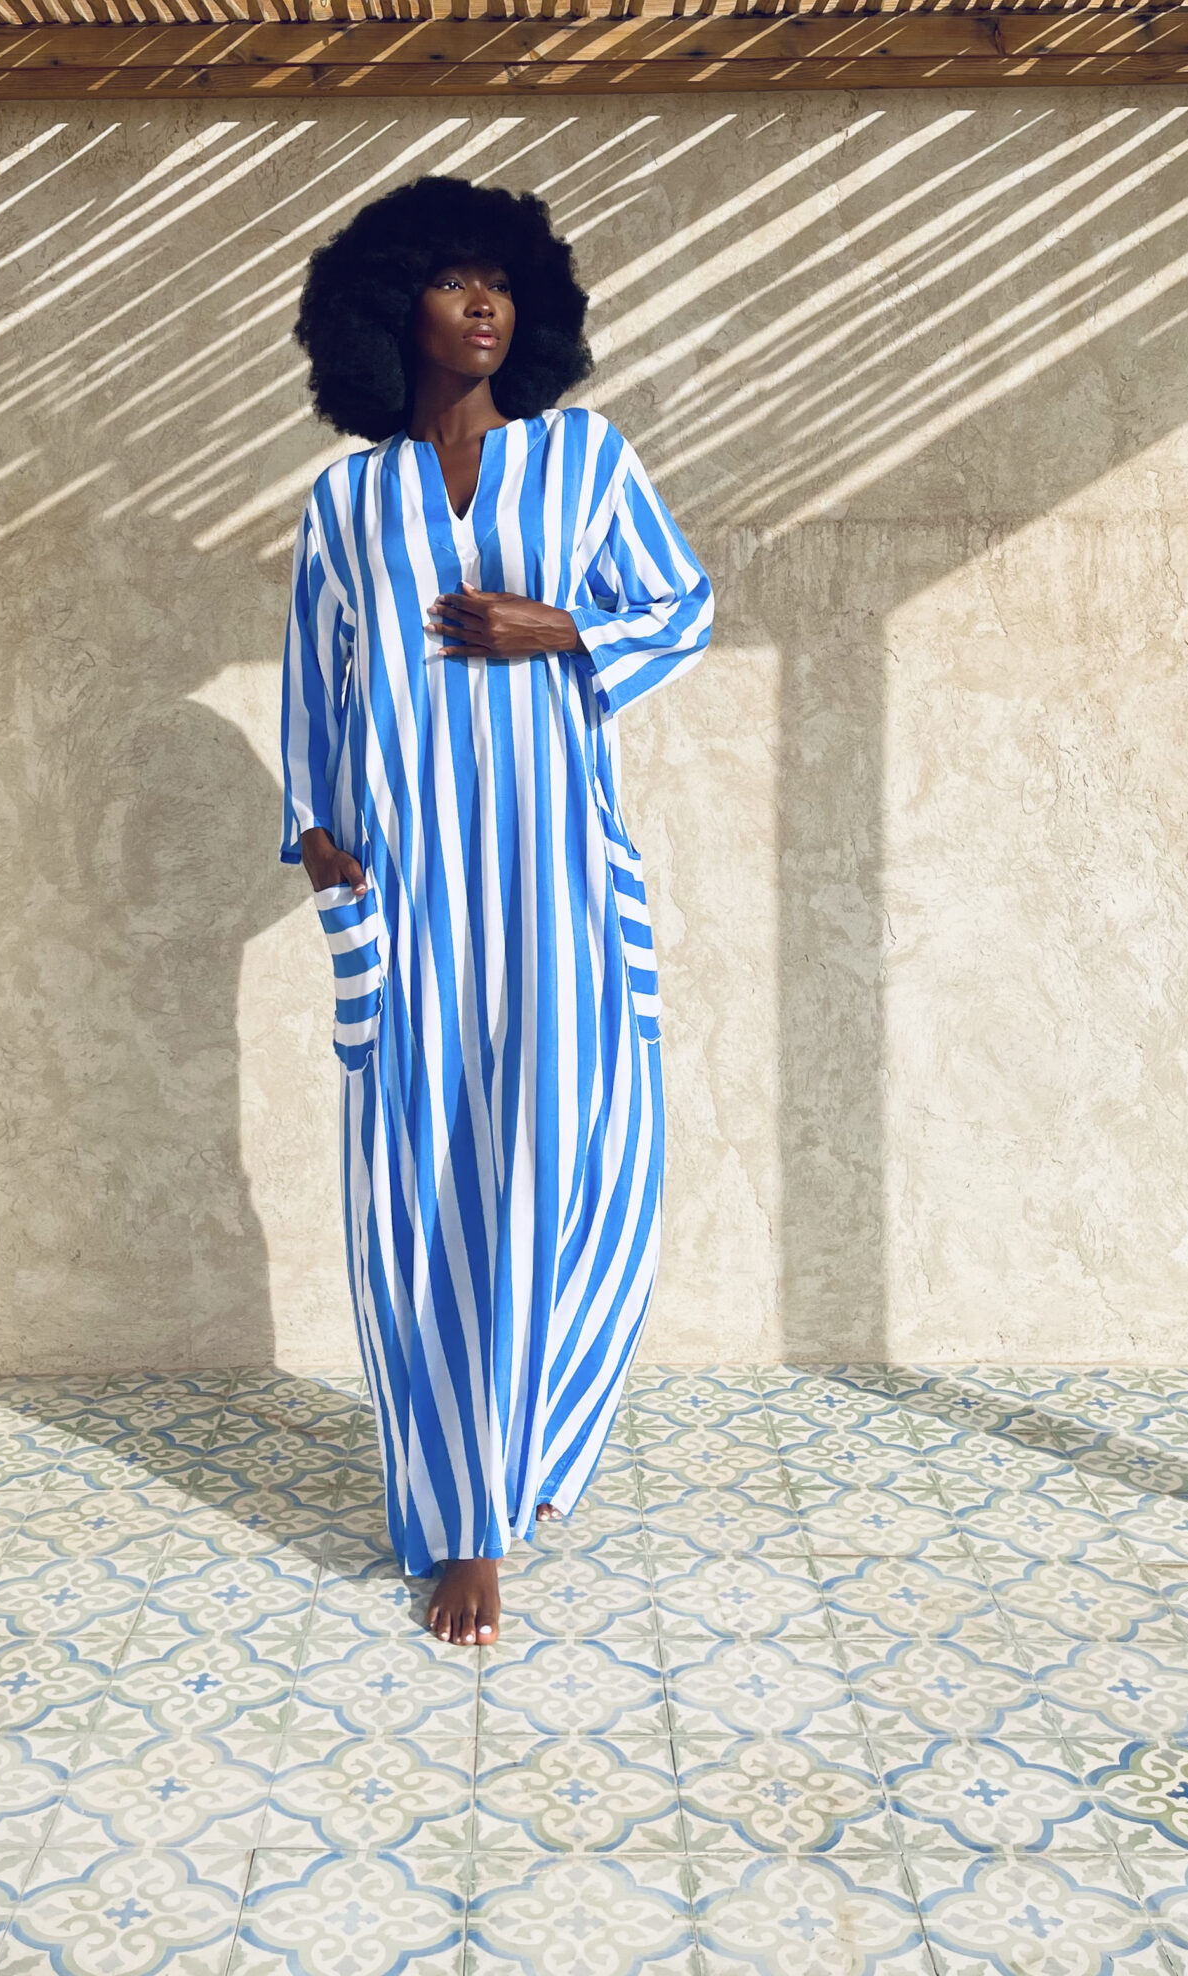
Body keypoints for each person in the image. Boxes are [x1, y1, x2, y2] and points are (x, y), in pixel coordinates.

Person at [279, 175, 713, 1646]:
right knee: (416, 1195)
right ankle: (461, 1517)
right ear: (386, 308)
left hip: (558, 881)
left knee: (572, 1168)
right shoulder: (346, 501)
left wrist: (563, 626)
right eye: (454, 280)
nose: (486, 306)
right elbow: (316, 683)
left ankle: (523, 1455)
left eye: (505, 284)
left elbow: (686, 608)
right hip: (409, 892)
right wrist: (325, 851)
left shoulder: (585, 459)